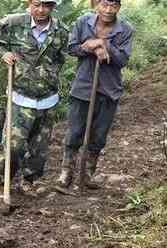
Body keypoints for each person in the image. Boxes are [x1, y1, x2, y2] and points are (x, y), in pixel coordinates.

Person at [0, 0, 68, 196]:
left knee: (39, 147)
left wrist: (48, 76)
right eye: (36, 4)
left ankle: (30, 180)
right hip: (20, 97)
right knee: (13, 145)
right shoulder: (13, 23)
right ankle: (1, 181)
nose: (41, 10)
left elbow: (60, 58)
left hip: (47, 99)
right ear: (29, 3)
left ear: (53, 7)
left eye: (47, 5)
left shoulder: (61, 31)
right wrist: (4, 52)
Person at [56, 0, 134, 190]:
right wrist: (90, 45)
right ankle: (66, 172)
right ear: (96, 5)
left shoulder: (125, 29)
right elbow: (71, 48)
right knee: (74, 132)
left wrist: (104, 45)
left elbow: (122, 60)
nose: (108, 10)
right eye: (104, 4)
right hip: (83, 86)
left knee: (98, 136)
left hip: (109, 89)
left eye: (113, 5)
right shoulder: (83, 22)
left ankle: (88, 173)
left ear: (119, 7)